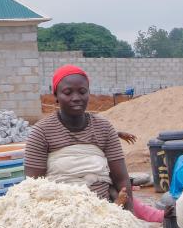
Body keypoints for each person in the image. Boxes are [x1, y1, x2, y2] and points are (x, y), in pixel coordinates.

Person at [25, 65, 134, 210]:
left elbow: (121, 179)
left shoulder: (104, 128)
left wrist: (129, 217)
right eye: (67, 92)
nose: (76, 98)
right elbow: (32, 186)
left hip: (105, 214)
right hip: (58, 215)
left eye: (82, 92)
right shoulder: (41, 132)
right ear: (56, 96)